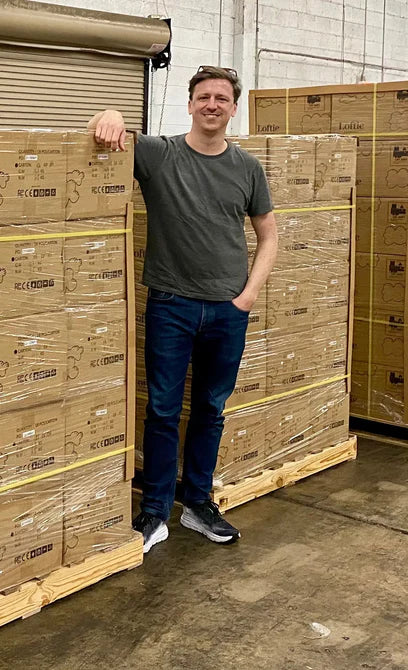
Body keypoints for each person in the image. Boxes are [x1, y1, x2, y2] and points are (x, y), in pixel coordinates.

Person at [88, 66, 277, 552]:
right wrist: (110, 113)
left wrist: (247, 296)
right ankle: (154, 511)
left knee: (211, 410)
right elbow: (104, 133)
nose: (212, 105)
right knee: (163, 410)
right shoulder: (160, 155)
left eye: (222, 98)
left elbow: (269, 236)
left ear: (233, 108)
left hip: (227, 311)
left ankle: (197, 503)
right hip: (171, 305)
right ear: (190, 104)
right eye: (204, 97)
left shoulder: (247, 168)